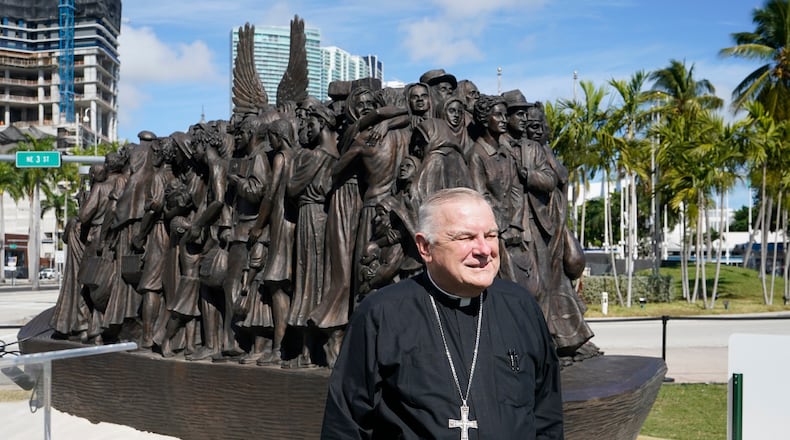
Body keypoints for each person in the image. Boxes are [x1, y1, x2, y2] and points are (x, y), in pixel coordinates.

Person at [321, 187, 564, 439]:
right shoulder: (381, 314)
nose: (484, 250)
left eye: (490, 235)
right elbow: (346, 423)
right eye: (465, 237)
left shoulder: (521, 307)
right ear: (425, 247)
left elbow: (547, 413)